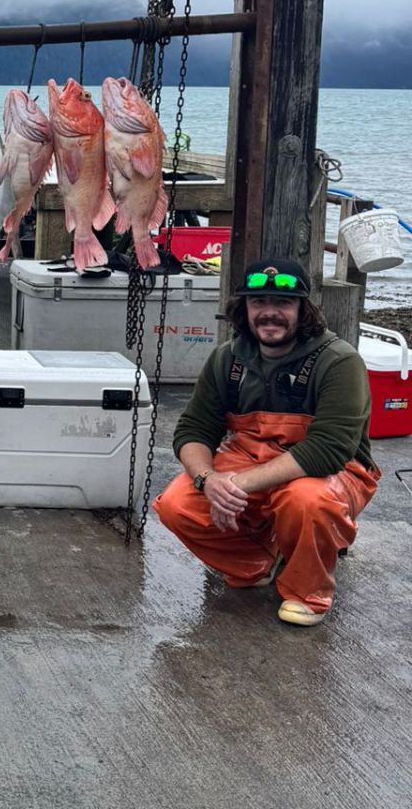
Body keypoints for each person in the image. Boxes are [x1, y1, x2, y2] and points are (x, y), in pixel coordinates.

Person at [153, 258, 379, 626]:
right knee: (176, 505)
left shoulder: (339, 361)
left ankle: (308, 592)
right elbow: (193, 430)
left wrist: (234, 486)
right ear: (243, 308)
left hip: (332, 471)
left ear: (304, 309)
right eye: (258, 303)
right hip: (249, 459)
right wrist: (208, 481)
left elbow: (329, 449)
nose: (269, 313)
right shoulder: (227, 358)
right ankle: (256, 561)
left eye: (282, 304)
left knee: (306, 500)